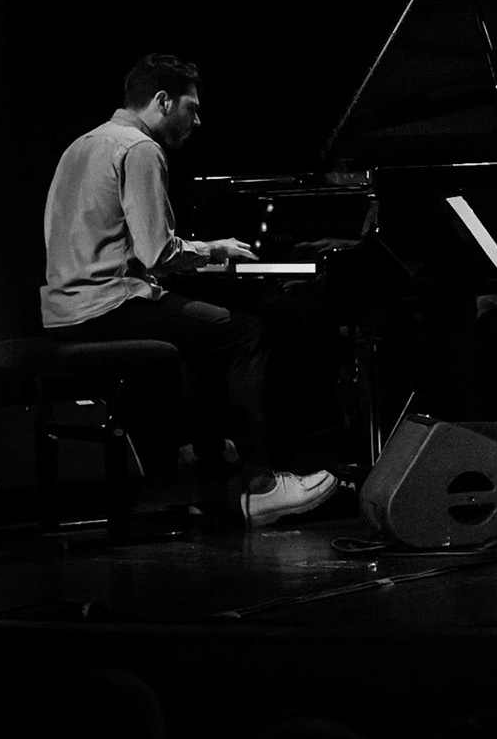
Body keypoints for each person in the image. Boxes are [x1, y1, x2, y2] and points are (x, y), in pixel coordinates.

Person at [40, 53, 337, 528]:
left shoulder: (81, 144)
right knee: (246, 332)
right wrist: (217, 249)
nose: (197, 121)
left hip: (64, 309)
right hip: (110, 303)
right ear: (162, 101)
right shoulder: (139, 149)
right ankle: (259, 485)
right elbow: (159, 254)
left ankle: (212, 482)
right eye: (191, 108)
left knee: (201, 337)